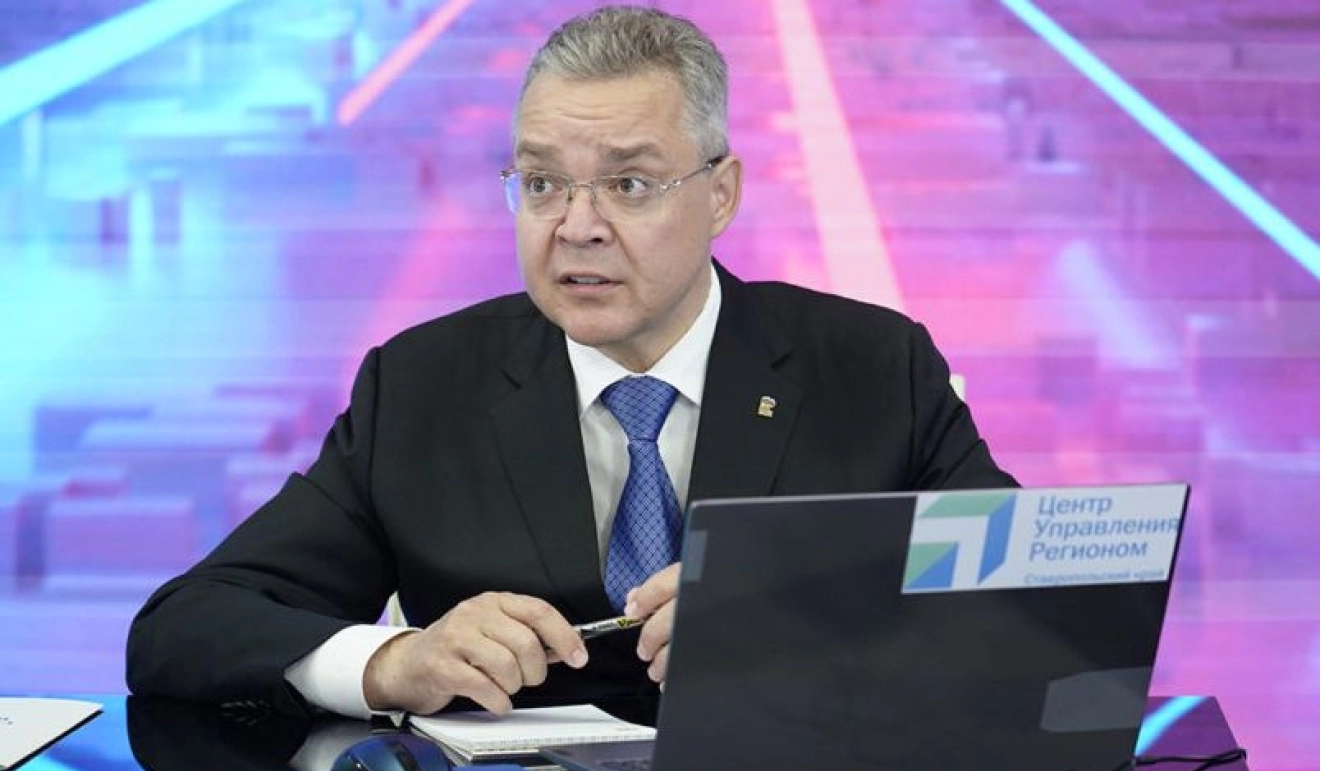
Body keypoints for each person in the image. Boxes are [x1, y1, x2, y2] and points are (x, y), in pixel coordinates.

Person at [126, 5, 1015, 720]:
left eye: (628, 185)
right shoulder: (423, 385)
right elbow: (186, 628)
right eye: (544, 183)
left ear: (720, 195)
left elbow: (1032, 608)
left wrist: (819, 618)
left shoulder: (873, 367)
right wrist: (394, 662)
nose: (577, 226)